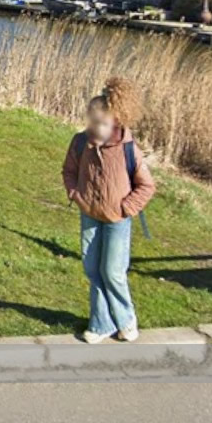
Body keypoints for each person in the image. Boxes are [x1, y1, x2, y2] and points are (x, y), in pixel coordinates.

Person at [61, 77, 156, 343]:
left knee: (112, 271)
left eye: (100, 123)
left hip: (117, 220)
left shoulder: (128, 150)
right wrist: (75, 194)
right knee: (93, 269)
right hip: (89, 214)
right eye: (91, 122)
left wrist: (126, 207)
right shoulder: (81, 143)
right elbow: (68, 171)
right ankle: (101, 324)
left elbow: (146, 186)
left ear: (115, 122)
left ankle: (126, 320)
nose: (94, 128)